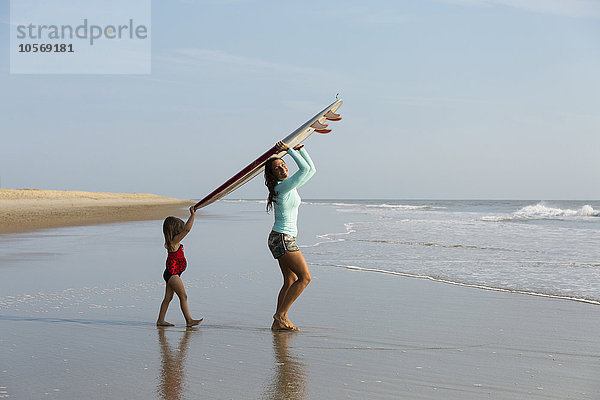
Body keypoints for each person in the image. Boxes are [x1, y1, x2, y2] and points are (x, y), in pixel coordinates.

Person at [265, 141, 316, 331]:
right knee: (305, 278)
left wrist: (301, 149)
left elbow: (310, 170)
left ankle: (278, 322)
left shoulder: (287, 186)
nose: (282, 168)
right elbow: (304, 170)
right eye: (277, 168)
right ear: (272, 174)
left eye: (283, 164)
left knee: (290, 280)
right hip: (283, 239)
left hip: (280, 238)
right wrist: (290, 151)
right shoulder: (282, 188)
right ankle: (281, 315)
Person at [157, 206, 203, 327]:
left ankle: (160, 320)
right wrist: (193, 215)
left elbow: (185, 230)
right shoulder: (173, 242)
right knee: (183, 296)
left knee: (168, 298)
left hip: (172, 273)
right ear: (174, 230)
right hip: (172, 274)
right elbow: (187, 230)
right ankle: (189, 320)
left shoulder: (172, 242)